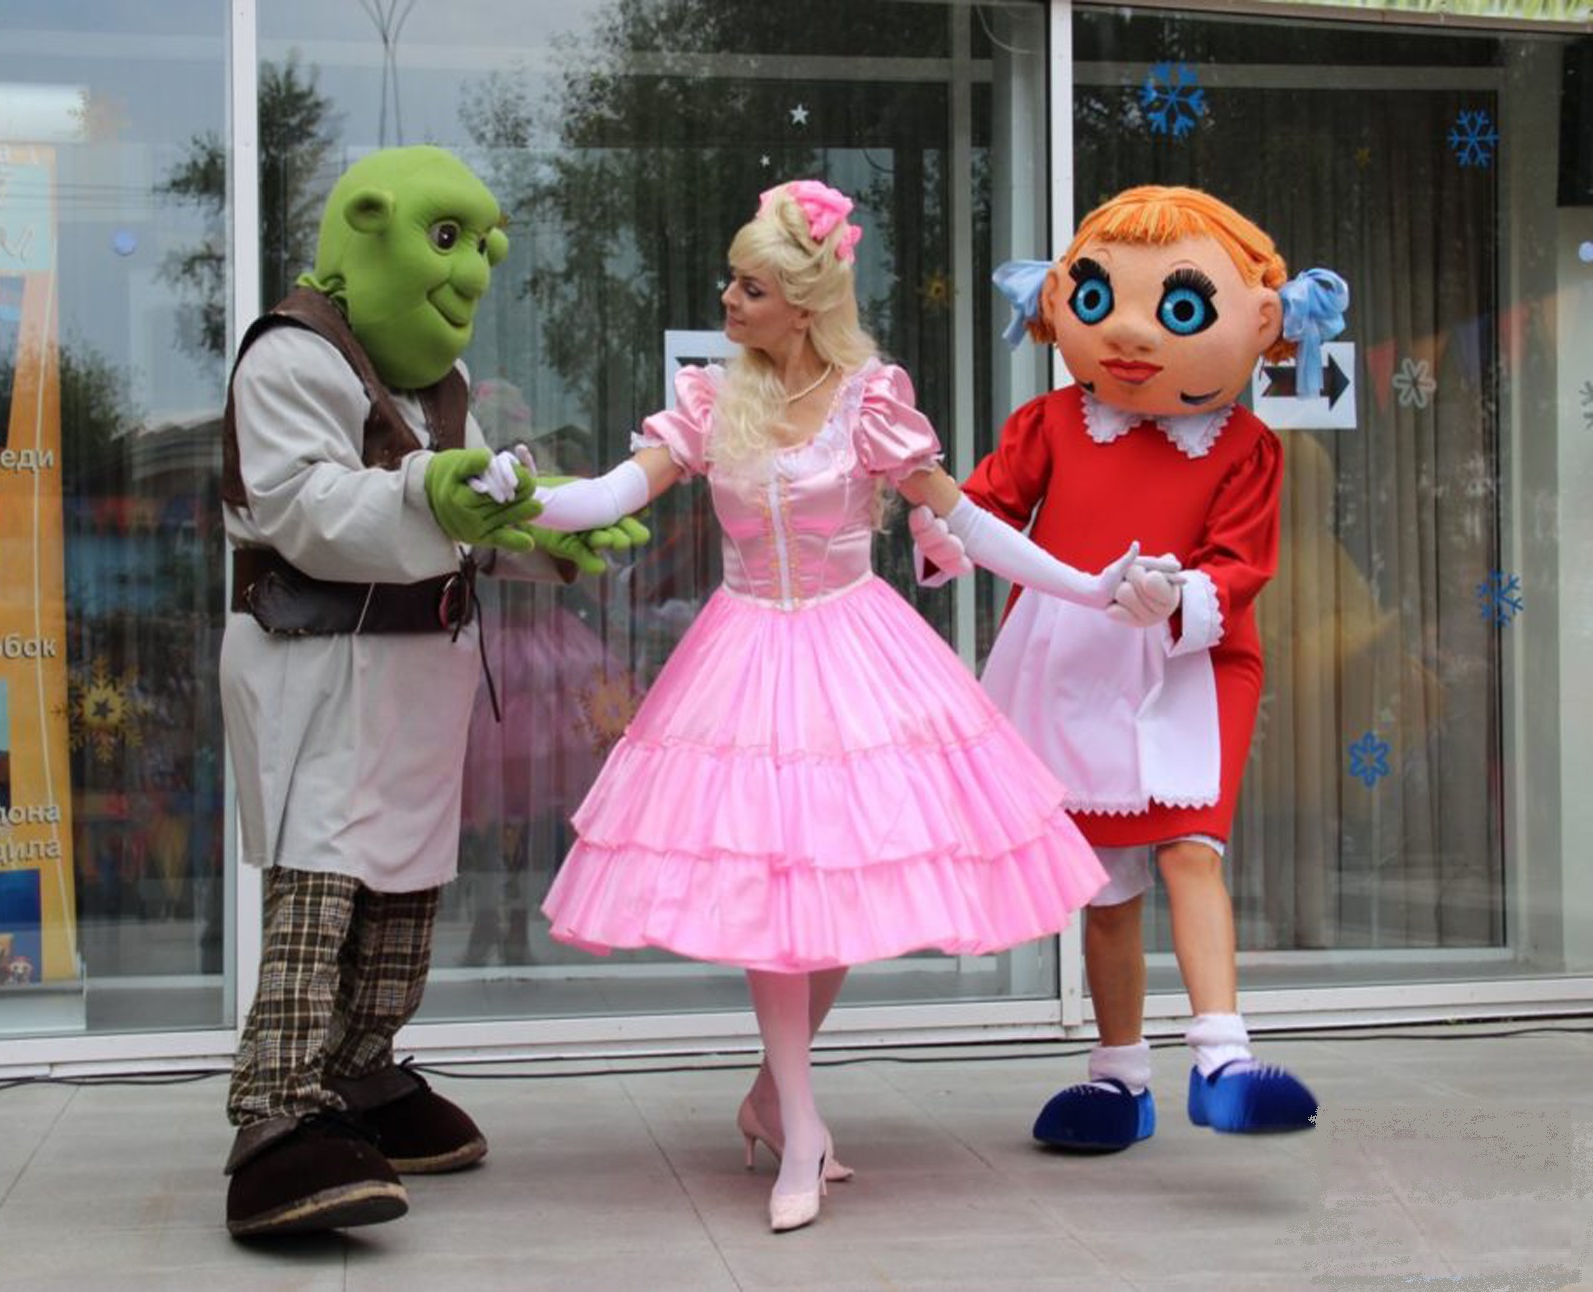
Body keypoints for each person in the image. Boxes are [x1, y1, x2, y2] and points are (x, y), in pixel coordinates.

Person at [528, 180, 1151, 1233]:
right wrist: (511, 495)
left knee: (832, 886)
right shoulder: (708, 400)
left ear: (805, 302)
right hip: (742, 659)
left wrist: (1088, 588)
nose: (728, 300)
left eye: (750, 287)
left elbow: (968, 521)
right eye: (730, 282)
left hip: (855, 654)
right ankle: (802, 1122)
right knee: (777, 893)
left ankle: (774, 1101)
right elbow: (607, 494)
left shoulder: (871, 400)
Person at [217, 145, 641, 1239]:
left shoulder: (438, 387)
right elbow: (302, 505)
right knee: (320, 889)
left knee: (404, 888)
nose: (470, 273)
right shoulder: (291, 358)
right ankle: (275, 1110)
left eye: (483, 249)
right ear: (366, 226)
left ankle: (359, 1069)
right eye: (447, 240)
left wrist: (553, 534)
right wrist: (434, 493)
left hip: (415, 675)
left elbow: (477, 510)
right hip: (321, 663)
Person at [915, 185, 1346, 1150]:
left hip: (1194, 664)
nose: (1132, 333)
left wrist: (1178, 596)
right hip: (1071, 660)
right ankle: (1117, 1077)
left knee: (1191, 844)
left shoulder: (1245, 445)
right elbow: (984, 507)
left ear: (1263, 322)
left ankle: (1222, 1057)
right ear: (1057, 300)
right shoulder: (1052, 422)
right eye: (1099, 299)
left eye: (1180, 308)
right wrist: (935, 534)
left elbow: (1240, 564)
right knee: (1105, 877)